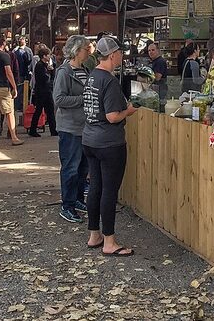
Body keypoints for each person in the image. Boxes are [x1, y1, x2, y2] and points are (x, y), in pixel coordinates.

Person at [82, 36, 138, 256]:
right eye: (120, 53)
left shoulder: (92, 77)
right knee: (109, 191)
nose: (122, 57)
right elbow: (113, 116)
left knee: (95, 187)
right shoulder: (109, 81)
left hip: (89, 139)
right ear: (113, 55)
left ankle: (94, 235)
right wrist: (130, 111)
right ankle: (110, 242)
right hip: (109, 142)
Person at [53, 34, 91, 223]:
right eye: (87, 48)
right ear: (77, 51)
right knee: (70, 167)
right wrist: (83, 99)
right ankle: (67, 205)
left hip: (84, 127)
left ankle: (77, 200)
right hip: (70, 128)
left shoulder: (85, 70)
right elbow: (59, 99)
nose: (89, 51)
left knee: (83, 167)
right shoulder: (64, 72)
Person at [0, 35, 23, 147]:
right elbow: (9, 72)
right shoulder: (4, 56)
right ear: (3, 43)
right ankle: (14, 138)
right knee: (9, 112)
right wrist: (14, 87)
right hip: (2, 86)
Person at [28, 47, 57, 138]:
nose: (50, 57)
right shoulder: (40, 65)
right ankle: (33, 129)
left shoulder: (45, 65)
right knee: (39, 111)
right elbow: (46, 79)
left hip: (46, 91)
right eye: (48, 55)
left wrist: (51, 70)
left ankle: (53, 130)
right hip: (42, 92)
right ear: (44, 56)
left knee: (50, 111)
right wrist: (50, 71)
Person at [13, 36, 33, 106]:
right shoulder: (16, 51)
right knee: (20, 90)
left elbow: (30, 61)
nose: (21, 41)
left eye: (22, 39)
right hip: (21, 73)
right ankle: (19, 105)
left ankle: (20, 105)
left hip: (23, 73)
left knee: (22, 90)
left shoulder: (25, 50)